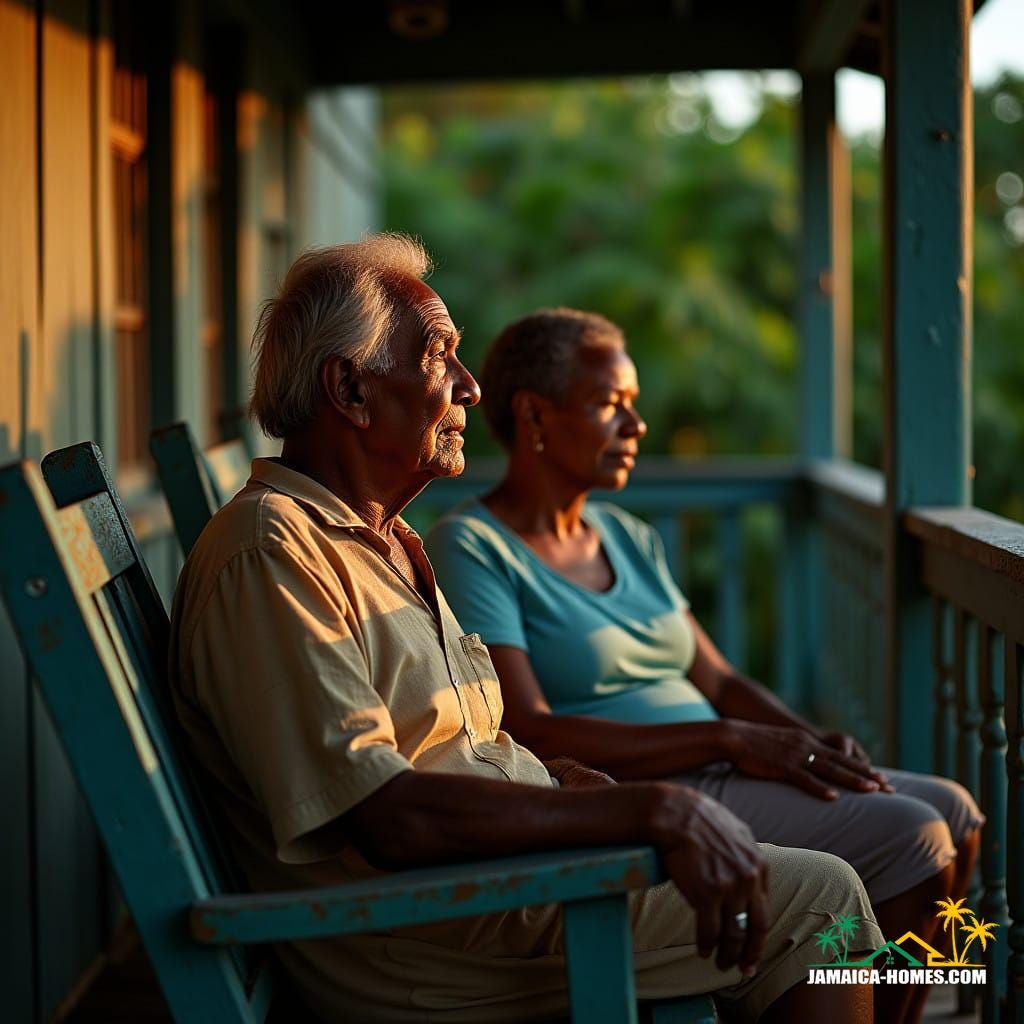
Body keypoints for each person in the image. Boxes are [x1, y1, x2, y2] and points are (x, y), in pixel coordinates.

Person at [169, 238, 879, 1023]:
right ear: (351, 388)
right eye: (441, 357)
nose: (471, 389)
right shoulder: (272, 553)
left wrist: (584, 787)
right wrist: (646, 811)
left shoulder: (385, 543)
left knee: (798, 885)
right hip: (437, 939)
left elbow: (462, 745)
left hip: (500, 891)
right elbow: (385, 814)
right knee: (823, 906)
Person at [425, 307, 984, 1024]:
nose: (636, 426)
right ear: (534, 415)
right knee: (914, 836)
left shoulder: (623, 536)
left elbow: (716, 679)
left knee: (955, 810)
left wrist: (802, 741)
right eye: (610, 405)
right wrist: (728, 740)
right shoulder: (472, 547)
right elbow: (529, 726)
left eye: (633, 404)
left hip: (725, 765)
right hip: (646, 788)